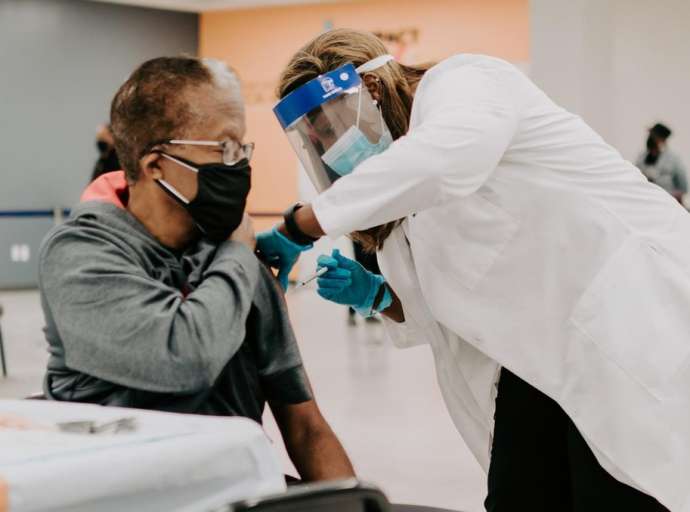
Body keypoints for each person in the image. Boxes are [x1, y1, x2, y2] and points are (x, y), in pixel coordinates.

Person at [257, 29, 690, 510]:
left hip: (625, 320)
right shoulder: (401, 201)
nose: (327, 146)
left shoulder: (464, 82)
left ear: (370, 92)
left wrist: (303, 225)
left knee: (618, 492)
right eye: (314, 139)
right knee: (519, 495)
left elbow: (448, 162)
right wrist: (378, 296)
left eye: (326, 126)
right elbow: (428, 312)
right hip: (538, 361)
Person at [39, 56, 354, 483]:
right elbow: (184, 358)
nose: (239, 164)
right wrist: (239, 254)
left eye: (242, 147)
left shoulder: (236, 260)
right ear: (155, 165)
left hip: (235, 490)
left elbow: (305, 428)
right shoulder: (80, 254)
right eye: (224, 148)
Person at [636, 123, 688, 204]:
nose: (652, 139)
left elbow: (683, 186)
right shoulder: (641, 158)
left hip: (668, 202)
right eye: (651, 136)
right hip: (647, 202)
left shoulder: (673, 158)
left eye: (655, 137)